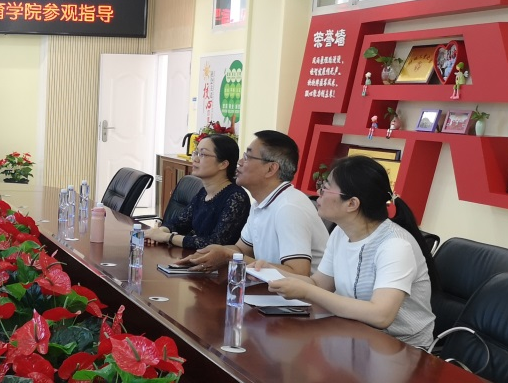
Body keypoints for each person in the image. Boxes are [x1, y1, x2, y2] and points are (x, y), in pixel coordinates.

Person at [261, 155, 437, 349]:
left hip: (402, 349)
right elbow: (320, 284)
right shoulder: (340, 232)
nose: (319, 192)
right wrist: (272, 271)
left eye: (325, 187)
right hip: (355, 337)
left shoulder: (395, 245)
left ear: (352, 204)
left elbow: (381, 315)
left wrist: (307, 291)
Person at [179, 129, 327, 275]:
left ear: (271, 169)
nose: (240, 162)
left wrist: (228, 256)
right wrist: (205, 254)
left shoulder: (289, 207)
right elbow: (242, 249)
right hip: (269, 286)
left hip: (298, 291)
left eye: (247, 157)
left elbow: (299, 273)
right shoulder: (260, 203)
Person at [146, 134, 249, 249]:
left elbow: (216, 243)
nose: (195, 159)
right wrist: (160, 231)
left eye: (202, 154)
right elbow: (180, 223)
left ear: (223, 164)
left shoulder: (236, 197)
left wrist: (167, 237)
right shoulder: (204, 192)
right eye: (196, 153)